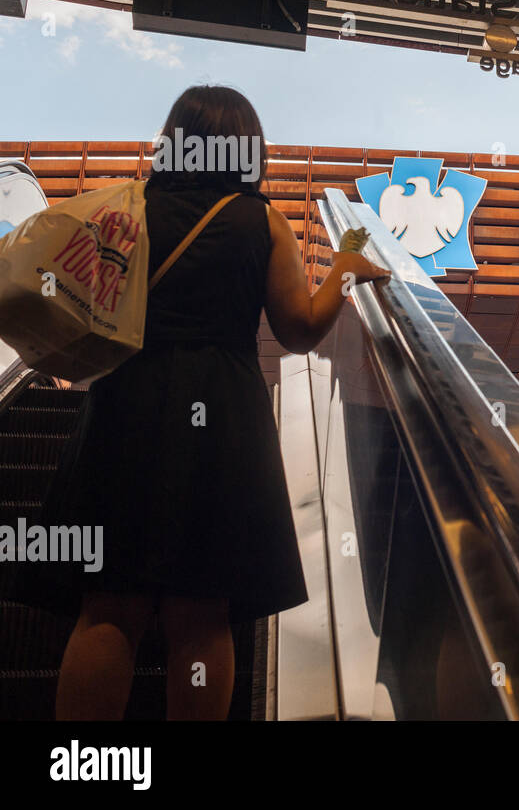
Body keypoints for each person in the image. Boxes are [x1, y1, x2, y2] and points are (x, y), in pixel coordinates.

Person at [21, 85, 389, 720]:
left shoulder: (129, 210)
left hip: (124, 403)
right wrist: (346, 267)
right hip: (223, 417)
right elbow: (299, 329)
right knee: (201, 614)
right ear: (248, 149)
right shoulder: (261, 221)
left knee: (108, 605)